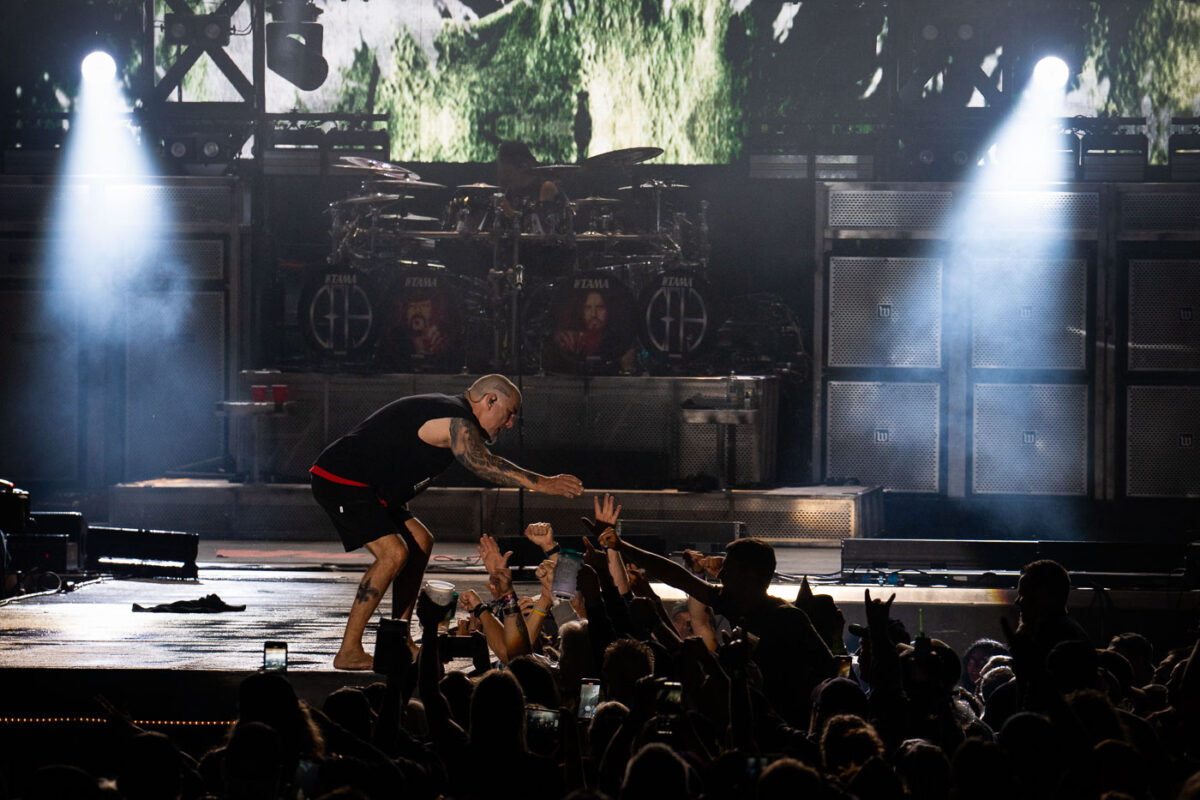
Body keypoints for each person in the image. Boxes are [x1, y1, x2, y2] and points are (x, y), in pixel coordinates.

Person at [310, 373, 584, 670]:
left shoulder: (454, 415)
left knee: (420, 541)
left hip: (375, 491)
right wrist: (542, 483)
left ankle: (400, 637)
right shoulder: (455, 420)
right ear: (490, 400)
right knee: (393, 553)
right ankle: (349, 650)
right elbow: (484, 463)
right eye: (509, 414)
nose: (508, 424)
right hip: (342, 479)